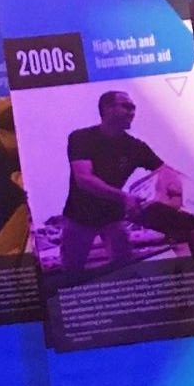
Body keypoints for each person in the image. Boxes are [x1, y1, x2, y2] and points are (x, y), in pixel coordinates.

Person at [59, 90, 165, 273]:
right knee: (71, 272)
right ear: (107, 108)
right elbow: (84, 179)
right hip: (79, 218)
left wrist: (162, 197)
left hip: (113, 218)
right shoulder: (80, 138)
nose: (132, 112)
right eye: (127, 106)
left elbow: (165, 171)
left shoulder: (136, 147)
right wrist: (124, 197)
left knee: (125, 268)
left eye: (134, 108)